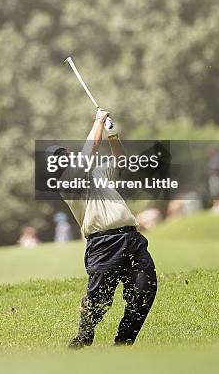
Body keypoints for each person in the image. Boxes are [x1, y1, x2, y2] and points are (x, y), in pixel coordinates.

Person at [46, 109, 157, 349]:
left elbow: (121, 162)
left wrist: (113, 136)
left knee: (144, 289)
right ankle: (83, 337)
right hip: (103, 245)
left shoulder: (94, 173)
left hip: (131, 238)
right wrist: (98, 121)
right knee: (100, 300)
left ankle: (124, 342)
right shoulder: (68, 181)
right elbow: (89, 151)